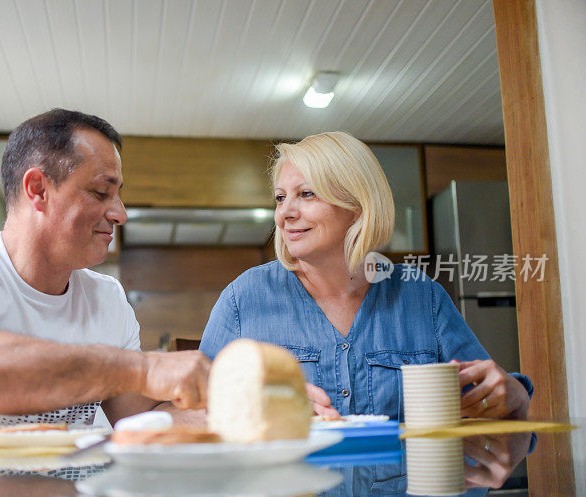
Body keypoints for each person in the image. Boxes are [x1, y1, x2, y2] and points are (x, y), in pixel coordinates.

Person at [0, 108, 210, 429]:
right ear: (38, 189)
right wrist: (143, 369)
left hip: (70, 481)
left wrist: (226, 413)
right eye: (101, 192)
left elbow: (138, 418)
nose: (120, 214)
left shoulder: (106, 297)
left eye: (117, 196)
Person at [199, 132, 532, 421]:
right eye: (281, 197)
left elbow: (489, 397)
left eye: (307, 194)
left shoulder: (422, 296)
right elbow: (187, 410)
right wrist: (243, 407)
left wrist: (513, 394)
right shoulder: (244, 298)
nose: (285, 213)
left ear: (357, 205)